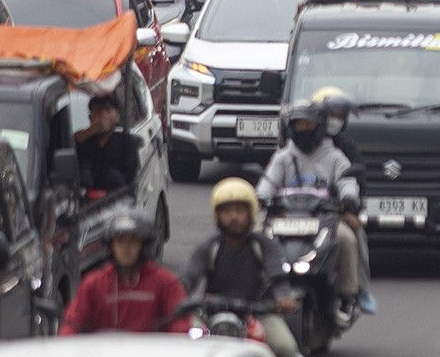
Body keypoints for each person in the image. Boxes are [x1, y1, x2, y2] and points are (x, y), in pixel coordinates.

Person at [256, 101, 362, 326]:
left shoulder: (334, 156)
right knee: (256, 238)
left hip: (324, 218)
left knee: (346, 239)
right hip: (286, 217)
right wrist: (259, 199)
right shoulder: (283, 157)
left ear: (320, 126)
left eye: (308, 124)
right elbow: (267, 184)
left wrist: (349, 200)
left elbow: (347, 182)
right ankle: (257, 289)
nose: (303, 129)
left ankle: (346, 297)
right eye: (298, 124)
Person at [181, 179, 301, 357]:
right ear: (217, 215)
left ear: (250, 213)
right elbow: (188, 279)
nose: (233, 217)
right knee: (182, 343)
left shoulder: (264, 245)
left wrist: (283, 298)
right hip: (210, 314)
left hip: (258, 314)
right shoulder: (209, 247)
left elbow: (278, 278)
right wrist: (174, 297)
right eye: (227, 211)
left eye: (239, 210)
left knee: (286, 348)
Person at [60, 211, 187, 335]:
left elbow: (181, 323)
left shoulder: (165, 282)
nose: (126, 248)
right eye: (120, 242)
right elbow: (72, 323)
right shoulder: (94, 283)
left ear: (143, 246)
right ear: (111, 246)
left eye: (132, 242)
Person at [311, 87, 378, 315]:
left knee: (353, 237)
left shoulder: (344, 150)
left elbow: (355, 181)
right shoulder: (290, 149)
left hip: (333, 211)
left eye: (341, 116)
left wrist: (349, 206)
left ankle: (359, 289)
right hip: (295, 210)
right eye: (332, 114)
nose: (335, 121)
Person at [74, 96, 139, 192]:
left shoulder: (126, 142)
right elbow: (72, 144)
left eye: (108, 110)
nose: (103, 115)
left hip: (116, 199)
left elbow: (129, 179)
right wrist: (92, 130)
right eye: (98, 111)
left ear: (117, 116)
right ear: (90, 117)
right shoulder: (85, 140)